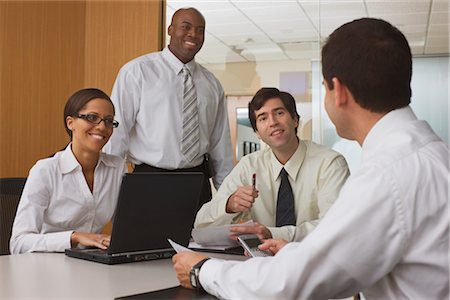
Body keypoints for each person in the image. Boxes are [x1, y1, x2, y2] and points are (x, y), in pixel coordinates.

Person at [172, 18, 449, 299]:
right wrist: (295, 250)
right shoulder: (430, 154)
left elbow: (292, 283)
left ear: (338, 91)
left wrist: (202, 270)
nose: (273, 123)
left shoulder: (386, 177)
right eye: (263, 118)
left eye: (324, 87)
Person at [104, 7, 233, 209]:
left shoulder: (211, 84)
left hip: (197, 182)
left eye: (200, 30)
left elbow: (220, 144)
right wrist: (112, 189)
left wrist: (227, 197)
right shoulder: (137, 72)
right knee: (148, 241)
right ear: (170, 30)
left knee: (198, 240)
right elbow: (116, 134)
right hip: (149, 180)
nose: (193, 34)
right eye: (186, 27)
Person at [194, 87, 349, 242]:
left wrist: (274, 234)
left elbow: (334, 226)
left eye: (279, 113)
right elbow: (201, 225)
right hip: (261, 261)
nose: (273, 122)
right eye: (263, 118)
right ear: (257, 133)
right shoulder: (249, 166)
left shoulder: (329, 163)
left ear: (295, 120)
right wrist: (229, 205)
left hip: (317, 259)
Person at [10, 88, 127, 254]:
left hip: (93, 262)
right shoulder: (45, 170)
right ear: (70, 123)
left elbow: (125, 227)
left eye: (108, 121)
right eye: (92, 118)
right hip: (46, 264)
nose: (102, 127)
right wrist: (74, 237)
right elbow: (19, 243)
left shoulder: (117, 167)